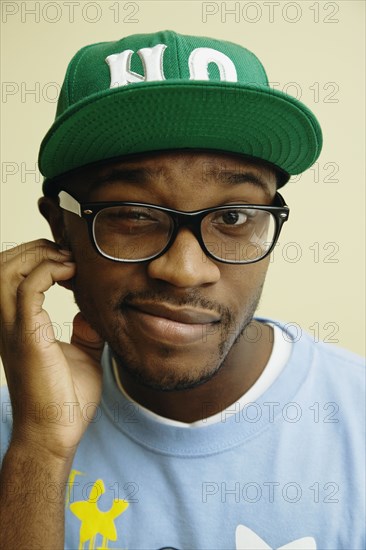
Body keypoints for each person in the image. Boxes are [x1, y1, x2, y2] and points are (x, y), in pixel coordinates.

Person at [0, 30, 364, 550]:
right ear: (61, 227)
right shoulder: (18, 436)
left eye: (234, 216)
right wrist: (39, 449)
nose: (186, 270)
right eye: (132, 214)